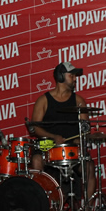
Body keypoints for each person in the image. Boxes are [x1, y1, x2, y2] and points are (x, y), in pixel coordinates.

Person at [30, 61, 96, 202]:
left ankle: (88, 208)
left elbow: (85, 128)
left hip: (71, 147)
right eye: (71, 75)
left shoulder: (78, 100)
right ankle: (42, 205)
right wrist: (53, 137)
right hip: (48, 145)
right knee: (36, 160)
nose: (75, 78)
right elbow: (35, 128)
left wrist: (80, 139)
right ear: (60, 77)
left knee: (89, 166)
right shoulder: (43, 100)